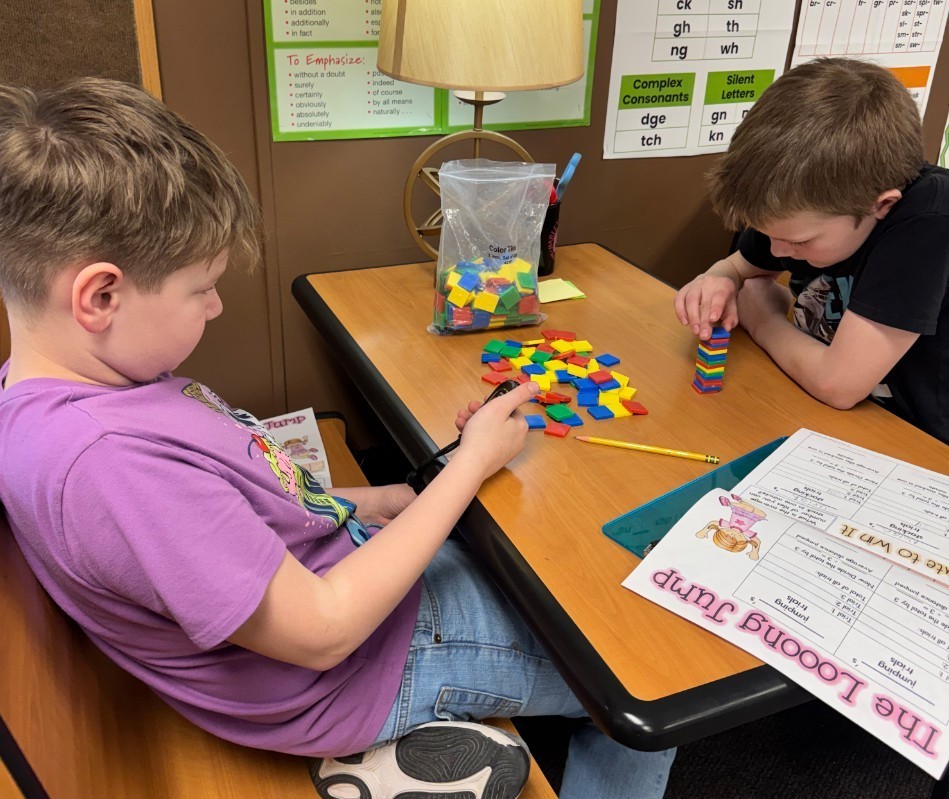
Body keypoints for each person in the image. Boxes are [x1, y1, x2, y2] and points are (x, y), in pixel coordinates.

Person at [0, 78, 675, 799]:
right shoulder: (109, 464)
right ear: (100, 296)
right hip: (360, 671)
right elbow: (322, 630)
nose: (217, 306)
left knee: (562, 559)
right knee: (646, 675)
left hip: (344, 588)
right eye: (202, 288)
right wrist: (470, 464)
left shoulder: (79, 387)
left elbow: (233, 516)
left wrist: (374, 500)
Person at [674, 58, 949, 444]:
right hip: (835, 421)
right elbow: (741, 268)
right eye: (766, 234)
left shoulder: (929, 223)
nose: (778, 251)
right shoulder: (797, 210)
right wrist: (720, 277)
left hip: (920, 442)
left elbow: (838, 385)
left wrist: (763, 318)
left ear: (882, 205)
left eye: (799, 243)